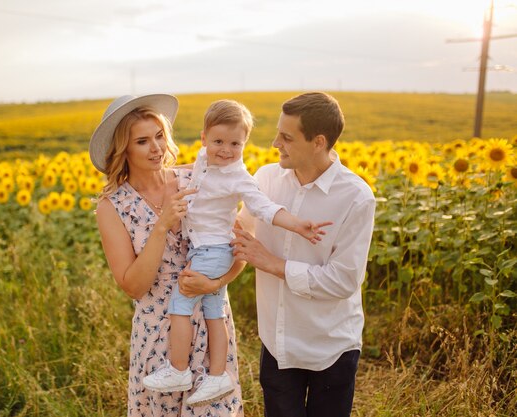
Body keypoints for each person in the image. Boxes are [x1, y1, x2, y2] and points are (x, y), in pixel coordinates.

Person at [179, 92, 376, 417]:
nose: (274, 143)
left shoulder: (356, 198)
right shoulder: (265, 179)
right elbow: (237, 241)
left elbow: (343, 282)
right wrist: (213, 282)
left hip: (330, 346)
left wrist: (273, 264)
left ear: (318, 142)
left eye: (286, 137)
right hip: (277, 342)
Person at [142, 99, 331, 407]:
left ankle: (178, 370)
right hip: (209, 250)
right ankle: (217, 375)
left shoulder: (238, 176)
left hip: (212, 250)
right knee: (214, 314)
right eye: (218, 141)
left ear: (245, 144)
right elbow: (184, 171)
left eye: (235, 144)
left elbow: (263, 207)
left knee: (180, 303)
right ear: (203, 139)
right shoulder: (205, 159)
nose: (226, 150)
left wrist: (296, 225)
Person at [90, 94, 244, 417]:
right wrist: (162, 227)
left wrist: (214, 282)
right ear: (124, 150)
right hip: (157, 337)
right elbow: (133, 286)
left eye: (160, 136)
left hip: (210, 328)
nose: (157, 148)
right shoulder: (112, 207)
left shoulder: (197, 179)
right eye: (143, 141)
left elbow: (239, 247)